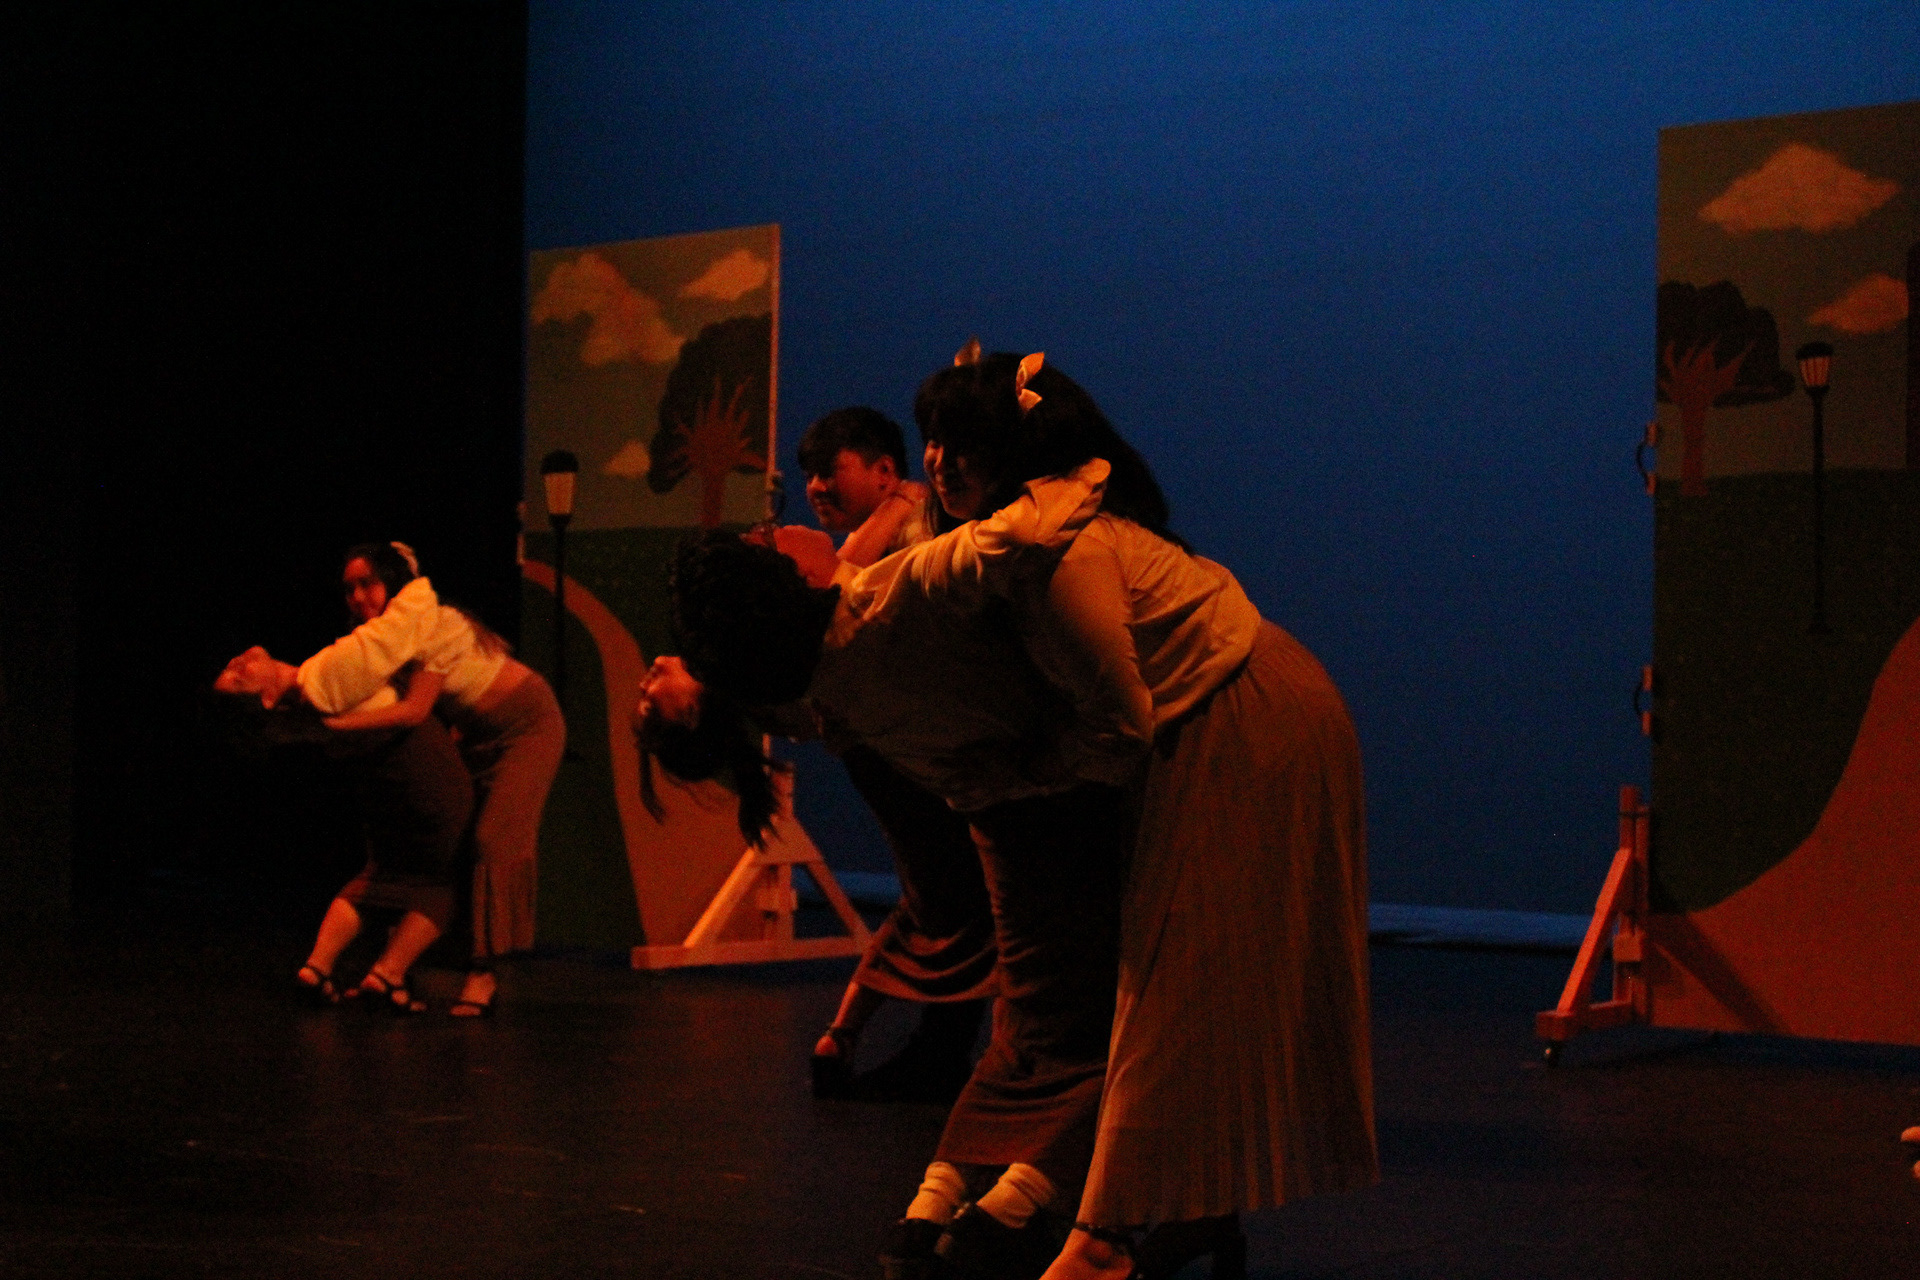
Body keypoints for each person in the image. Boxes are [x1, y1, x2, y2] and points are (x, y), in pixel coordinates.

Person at [909, 350, 1379, 1280]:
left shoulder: (1064, 552)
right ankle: (1191, 1213)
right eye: (932, 440)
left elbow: (1118, 727)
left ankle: (1108, 1237)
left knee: (1175, 982)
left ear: (1016, 449)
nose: (940, 462)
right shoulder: (1022, 544)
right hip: (1225, 713)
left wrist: (1022, 769)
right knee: (1187, 977)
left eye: (964, 443)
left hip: (1246, 719)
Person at [642, 465, 1130, 1280]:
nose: (795, 526)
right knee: (1055, 981)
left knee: (1018, 972)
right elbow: (987, 550)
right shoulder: (887, 612)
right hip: (1030, 789)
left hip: (986, 793)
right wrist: (1068, 465)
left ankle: (958, 1184)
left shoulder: (813, 671)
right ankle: (1027, 1187)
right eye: (773, 541)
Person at [221, 542, 565, 1017]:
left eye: (369, 583)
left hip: (526, 725)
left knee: (493, 841)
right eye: (349, 589)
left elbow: (414, 711)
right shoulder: (385, 641)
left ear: (392, 582)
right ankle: (394, 974)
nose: (358, 597)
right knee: (454, 851)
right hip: (474, 734)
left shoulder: (433, 626)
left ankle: (485, 974)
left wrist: (335, 726)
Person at [795, 406, 995, 1101]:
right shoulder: (892, 521)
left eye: (830, 470)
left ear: (885, 471)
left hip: (922, 752)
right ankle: (890, 1043)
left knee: (951, 895)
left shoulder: (916, 525)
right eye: (809, 475)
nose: (815, 487)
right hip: (894, 750)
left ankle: (935, 1053)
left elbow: (842, 583)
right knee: (940, 894)